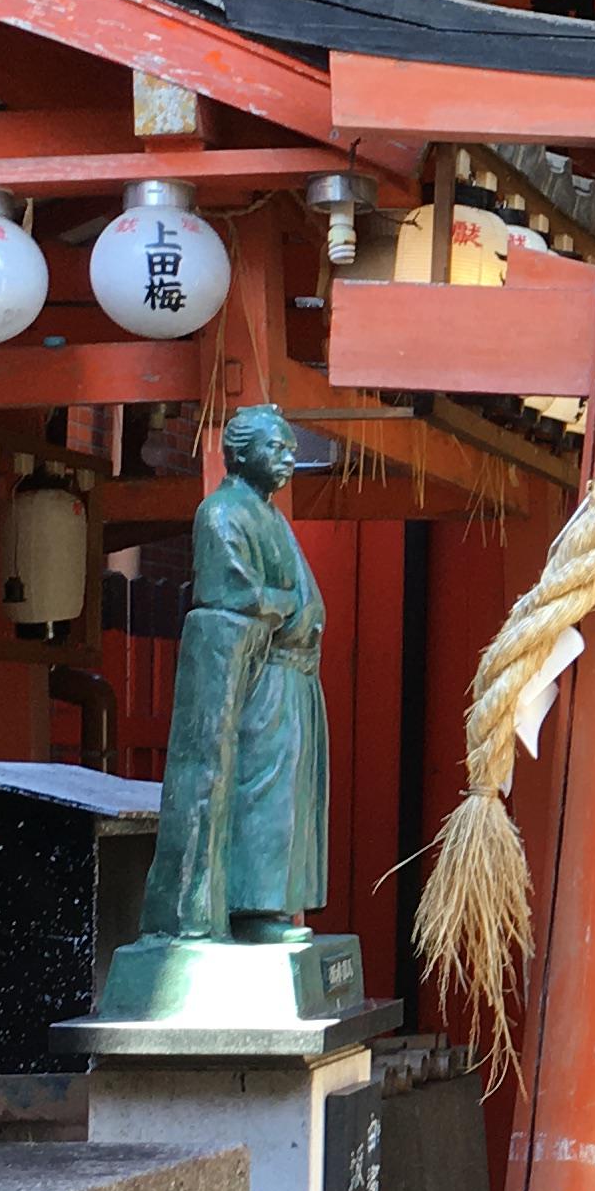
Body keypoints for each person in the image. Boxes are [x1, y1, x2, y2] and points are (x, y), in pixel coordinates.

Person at [137, 404, 330, 942]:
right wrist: (289, 607)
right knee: (257, 788)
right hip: (258, 675)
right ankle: (252, 909)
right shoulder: (222, 513)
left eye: (292, 448)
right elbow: (233, 596)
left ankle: (276, 905)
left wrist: (297, 610)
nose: (288, 457)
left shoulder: (271, 516)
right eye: (277, 447)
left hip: (292, 677)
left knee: (289, 794)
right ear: (241, 453)